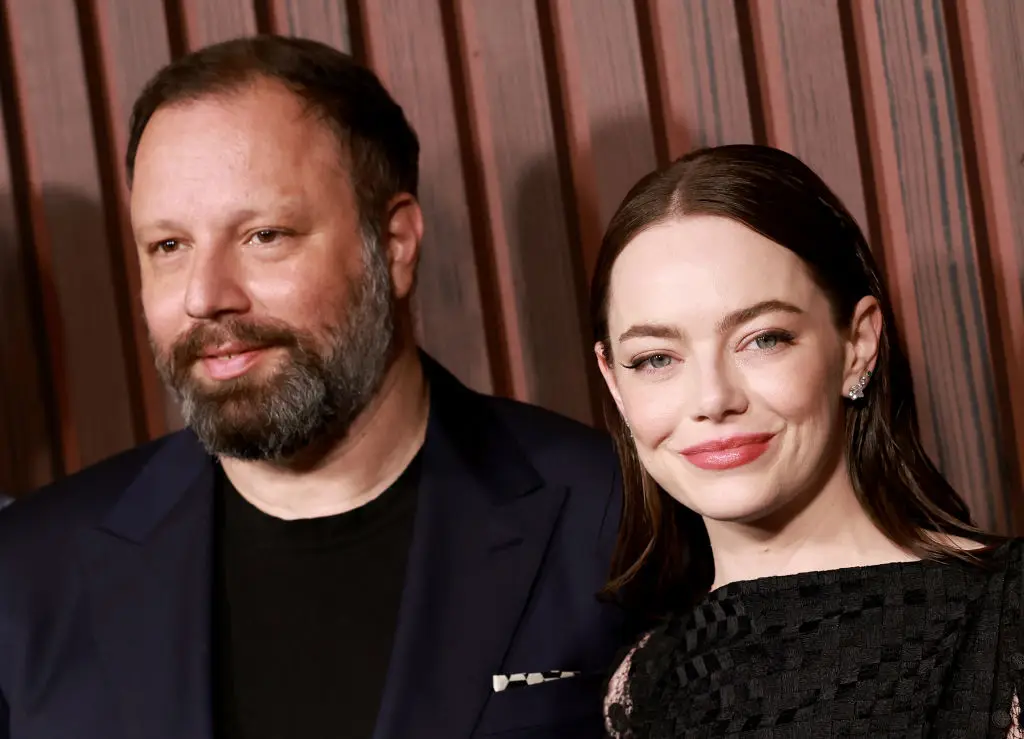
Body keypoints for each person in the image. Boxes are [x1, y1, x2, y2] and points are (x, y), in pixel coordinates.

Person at [0, 35, 637, 739]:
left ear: (393, 245)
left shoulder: (616, 519)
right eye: (168, 247)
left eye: (264, 235)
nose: (206, 296)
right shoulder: (26, 573)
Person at [591, 144, 1023, 738]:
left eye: (763, 339)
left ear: (858, 344)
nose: (713, 398)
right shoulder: (641, 689)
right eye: (656, 358)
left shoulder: (1008, 617)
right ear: (614, 380)